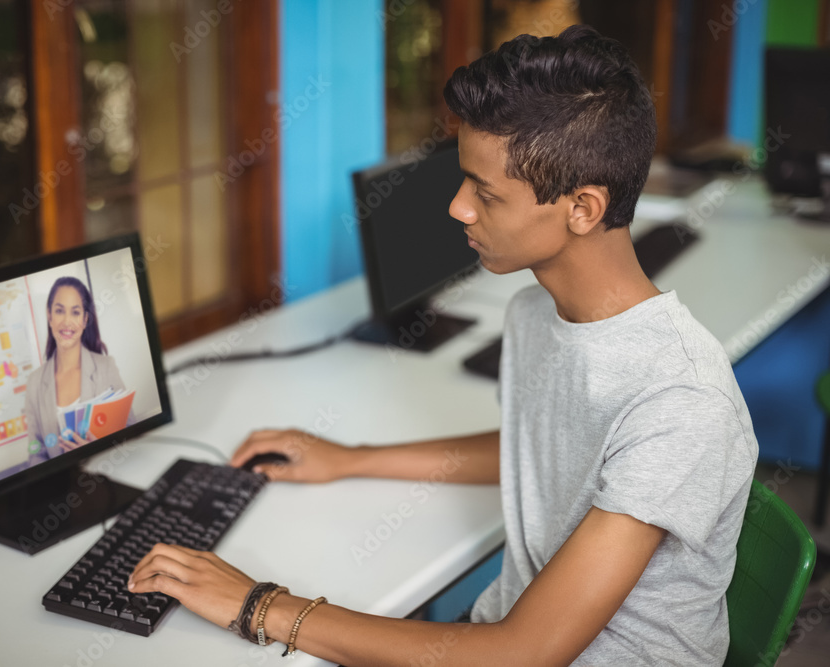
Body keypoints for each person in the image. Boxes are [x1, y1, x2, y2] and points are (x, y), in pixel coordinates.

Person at [127, 26, 758, 666]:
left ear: (584, 208)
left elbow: (522, 654)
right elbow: (544, 449)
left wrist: (260, 607)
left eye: (485, 193)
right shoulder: (536, 313)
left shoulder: (681, 402)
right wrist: (350, 458)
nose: (458, 208)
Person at [24, 276, 126, 465]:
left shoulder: (106, 368)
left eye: (76, 312)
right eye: (60, 311)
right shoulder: (34, 382)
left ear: (85, 319)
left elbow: (131, 436)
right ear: (49, 316)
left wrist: (97, 449)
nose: (67, 322)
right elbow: (36, 452)